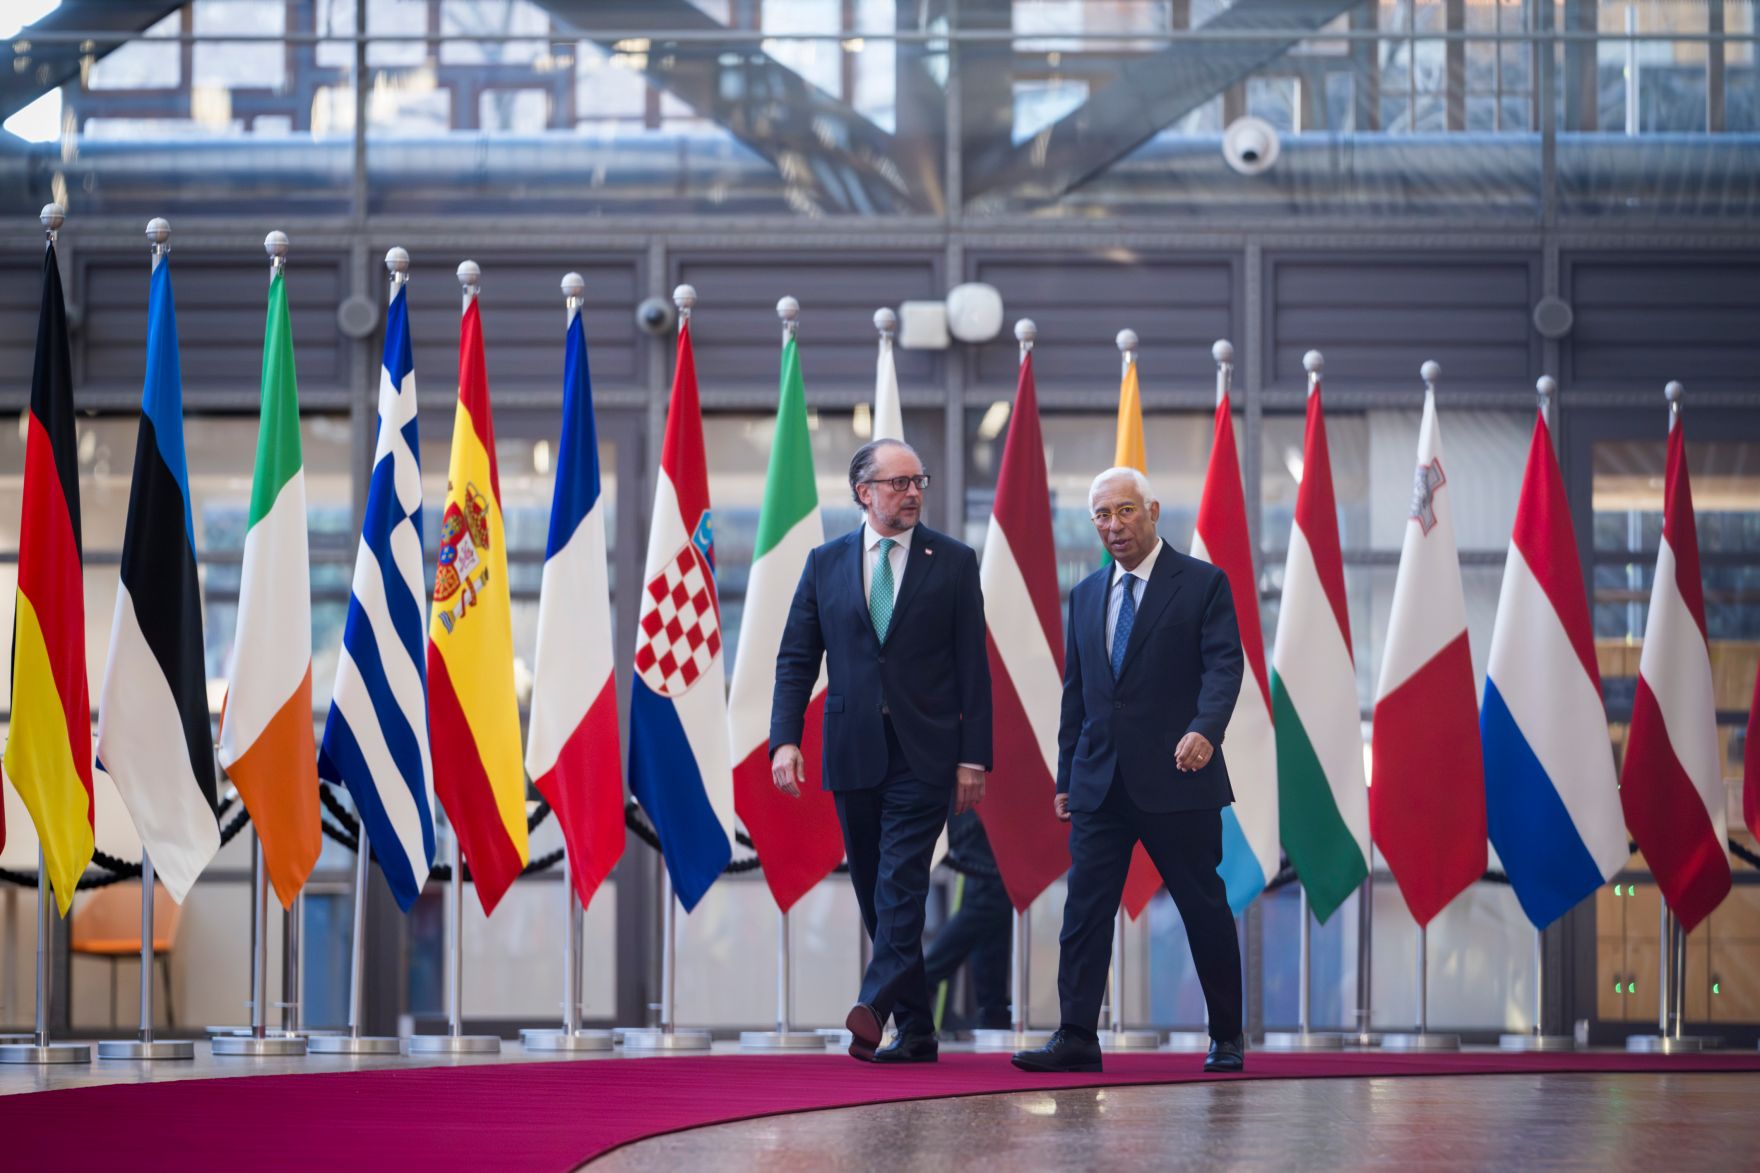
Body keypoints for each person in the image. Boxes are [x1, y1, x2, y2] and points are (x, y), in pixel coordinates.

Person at [1013, 466, 1246, 1075]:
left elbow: (1225, 669)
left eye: (1123, 511)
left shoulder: (1202, 584)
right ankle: (1076, 1038)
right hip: (1099, 782)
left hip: (1179, 777)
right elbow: (1078, 691)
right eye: (1101, 516)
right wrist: (1067, 775)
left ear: (1153, 511)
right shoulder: (1086, 593)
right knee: (1084, 915)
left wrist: (1205, 729)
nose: (1113, 526)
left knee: (1203, 908)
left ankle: (1226, 1038)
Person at [769, 438, 992, 1064]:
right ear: (863, 492)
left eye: (918, 480)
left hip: (925, 753)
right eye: (898, 483)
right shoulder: (825, 563)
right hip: (853, 747)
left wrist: (974, 756)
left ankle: (872, 1006)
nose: (913, 492)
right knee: (873, 891)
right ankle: (917, 1030)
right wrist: (785, 739)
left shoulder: (953, 561)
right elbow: (795, 658)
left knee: (900, 881)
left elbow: (974, 666)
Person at [923, 811, 1012, 1031]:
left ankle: (993, 1010)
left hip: (988, 805)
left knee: (993, 900)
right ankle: (922, 980)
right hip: (976, 801)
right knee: (988, 896)